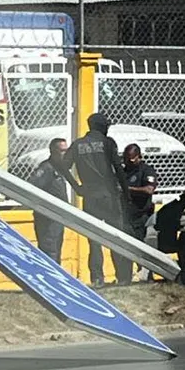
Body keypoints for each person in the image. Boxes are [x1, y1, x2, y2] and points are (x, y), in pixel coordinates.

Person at [61, 113, 133, 287]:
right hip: (109, 196)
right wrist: (126, 194)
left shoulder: (78, 145)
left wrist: (77, 187)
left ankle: (97, 278)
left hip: (90, 196)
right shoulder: (108, 143)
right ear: (101, 126)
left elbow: (64, 166)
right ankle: (122, 277)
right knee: (117, 236)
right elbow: (118, 169)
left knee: (94, 239)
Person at [28, 138, 72, 262]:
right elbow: (32, 187)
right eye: (62, 151)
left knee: (56, 248)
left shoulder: (60, 168)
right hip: (47, 217)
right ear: (53, 151)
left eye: (66, 151)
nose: (65, 154)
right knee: (49, 249)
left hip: (57, 217)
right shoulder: (46, 168)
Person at [122, 143, 158, 282]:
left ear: (139, 157)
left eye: (131, 159)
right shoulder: (124, 172)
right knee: (125, 249)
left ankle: (147, 276)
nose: (128, 162)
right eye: (126, 159)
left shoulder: (146, 171)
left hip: (141, 216)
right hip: (126, 216)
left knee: (141, 248)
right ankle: (125, 278)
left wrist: (128, 189)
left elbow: (149, 190)